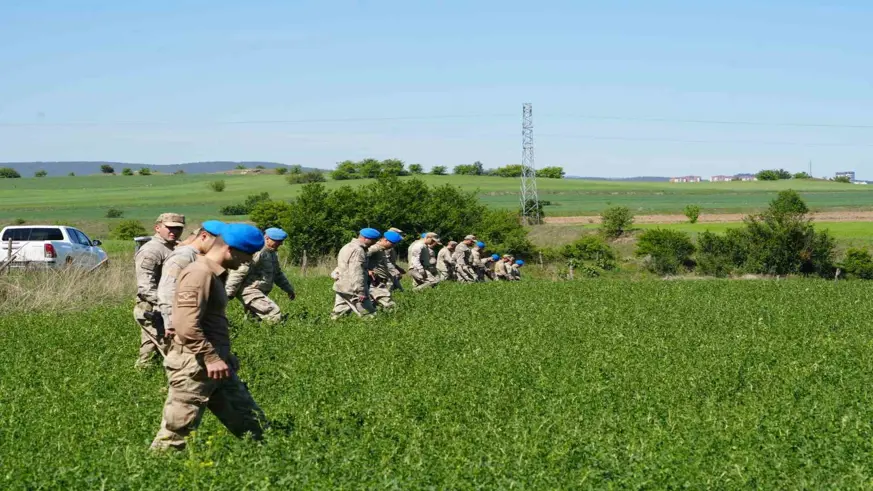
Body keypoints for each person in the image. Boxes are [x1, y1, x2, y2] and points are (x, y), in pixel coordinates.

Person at [150, 223, 267, 451]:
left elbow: (209, 322)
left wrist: (223, 355)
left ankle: (272, 459)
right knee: (176, 432)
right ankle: (151, 475)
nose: (249, 261)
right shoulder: (199, 273)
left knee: (251, 422)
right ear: (230, 250)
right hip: (194, 365)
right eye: (248, 255)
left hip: (215, 365)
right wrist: (211, 357)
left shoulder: (213, 274)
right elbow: (185, 325)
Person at [134, 213, 185, 369]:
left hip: (165, 305)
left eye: (178, 229)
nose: (174, 232)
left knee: (150, 345)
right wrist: (166, 305)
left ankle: (143, 374)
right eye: (169, 228)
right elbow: (145, 285)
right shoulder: (151, 250)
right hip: (153, 307)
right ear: (157, 228)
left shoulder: (175, 247)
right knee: (170, 347)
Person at [157, 221, 224, 338]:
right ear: (204, 236)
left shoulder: (198, 256)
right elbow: (167, 290)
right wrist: (171, 323)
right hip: (180, 323)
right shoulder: (184, 256)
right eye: (218, 243)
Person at [225, 228, 295, 323]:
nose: (280, 244)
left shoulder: (272, 253)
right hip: (249, 290)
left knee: (254, 320)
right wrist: (229, 292)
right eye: (277, 241)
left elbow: (277, 274)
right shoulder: (257, 251)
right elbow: (240, 271)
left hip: (259, 290)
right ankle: (276, 335)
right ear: (266, 238)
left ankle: (245, 333)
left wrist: (289, 289)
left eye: (281, 241)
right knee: (272, 312)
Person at [331, 228, 380, 319]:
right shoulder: (358, 250)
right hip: (352, 288)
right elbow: (357, 272)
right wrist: (360, 291)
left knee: (339, 314)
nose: (375, 242)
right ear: (366, 238)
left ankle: (330, 329)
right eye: (374, 240)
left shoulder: (347, 246)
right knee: (370, 315)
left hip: (341, 285)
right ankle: (373, 331)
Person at [367, 230, 403, 310]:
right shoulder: (374, 248)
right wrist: (367, 270)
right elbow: (362, 259)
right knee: (390, 305)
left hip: (381, 281)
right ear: (385, 240)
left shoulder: (382, 250)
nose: (393, 246)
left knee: (373, 306)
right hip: (375, 282)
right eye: (392, 243)